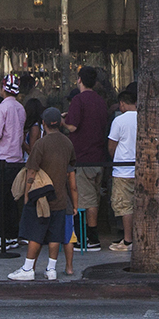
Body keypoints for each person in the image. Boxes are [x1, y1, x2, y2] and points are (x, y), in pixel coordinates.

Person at [8, 107, 76, 281]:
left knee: (35, 234)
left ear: (44, 123)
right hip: (60, 196)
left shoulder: (41, 144)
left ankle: (28, 268)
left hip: (40, 197)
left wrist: (26, 194)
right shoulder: (68, 143)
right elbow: (70, 169)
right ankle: (51, 269)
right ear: (60, 123)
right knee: (55, 235)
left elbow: (31, 171)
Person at [62, 65, 110, 251]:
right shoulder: (100, 101)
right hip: (98, 156)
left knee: (85, 200)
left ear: (79, 79)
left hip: (83, 157)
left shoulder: (78, 100)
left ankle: (89, 238)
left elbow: (73, 127)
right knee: (94, 197)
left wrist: (62, 122)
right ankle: (90, 236)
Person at [0, 76, 28, 258]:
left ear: (4, 88)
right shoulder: (20, 108)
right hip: (16, 158)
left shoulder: (1, 108)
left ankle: (1, 236)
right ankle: (11, 236)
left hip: (2, 159)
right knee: (12, 201)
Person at [106, 83, 139, 254]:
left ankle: (128, 240)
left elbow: (112, 146)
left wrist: (115, 160)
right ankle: (137, 237)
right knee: (139, 205)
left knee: (125, 206)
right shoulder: (144, 118)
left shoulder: (119, 120)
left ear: (122, 104)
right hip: (140, 169)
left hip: (122, 169)